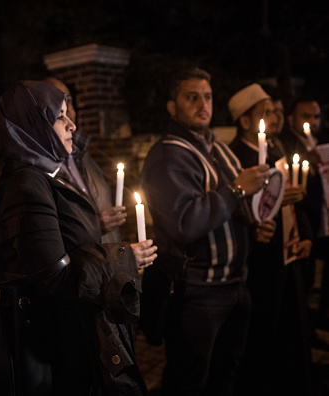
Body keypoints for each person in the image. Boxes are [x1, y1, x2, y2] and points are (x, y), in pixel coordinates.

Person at [0, 80, 157, 395]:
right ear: (34, 123)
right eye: (60, 116)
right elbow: (55, 279)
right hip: (53, 343)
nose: (72, 124)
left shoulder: (44, 173)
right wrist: (122, 256)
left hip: (69, 331)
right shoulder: (26, 182)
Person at [139, 68, 272, 396]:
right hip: (198, 292)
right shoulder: (167, 155)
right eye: (191, 96)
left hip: (234, 286)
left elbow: (233, 208)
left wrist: (255, 224)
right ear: (172, 107)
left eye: (208, 97)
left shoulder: (219, 148)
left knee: (225, 375)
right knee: (190, 380)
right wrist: (238, 188)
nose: (203, 104)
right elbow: (185, 223)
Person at [227, 83, 313, 395]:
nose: (275, 118)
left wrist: (305, 236)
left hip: (287, 253)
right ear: (245, 122)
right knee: (263, 336)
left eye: (276, 112)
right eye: (266, 114)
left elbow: (292, 202)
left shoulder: (276, 150)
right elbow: (236, 208)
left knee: (291, 330)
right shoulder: (235, 158)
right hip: (260, 262)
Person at [43, 76, 126, 243]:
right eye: (60, 109)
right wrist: (93, 224)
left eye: (70, 102)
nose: (70, 114)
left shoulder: (82, 153)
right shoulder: (41, 170)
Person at [280, 97, 329, 332]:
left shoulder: (320, 142)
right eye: (306, 116)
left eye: (316, 116)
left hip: (320, 219)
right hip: (301, 221)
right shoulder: (287, 143)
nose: (312, 121)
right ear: (291, 119)